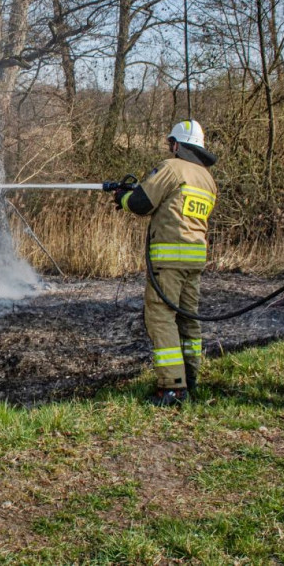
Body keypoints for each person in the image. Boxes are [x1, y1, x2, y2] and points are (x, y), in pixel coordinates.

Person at [113, 120, 218, 406]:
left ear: (176, 144)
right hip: (194, 260)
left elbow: (141, 204)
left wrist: (122, 197)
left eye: (170, 143)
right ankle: (190, 376)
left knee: (160, 318)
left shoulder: (171, 168)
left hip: (169, 260)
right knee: (188, 318)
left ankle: (172, 387)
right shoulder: (207, 178)